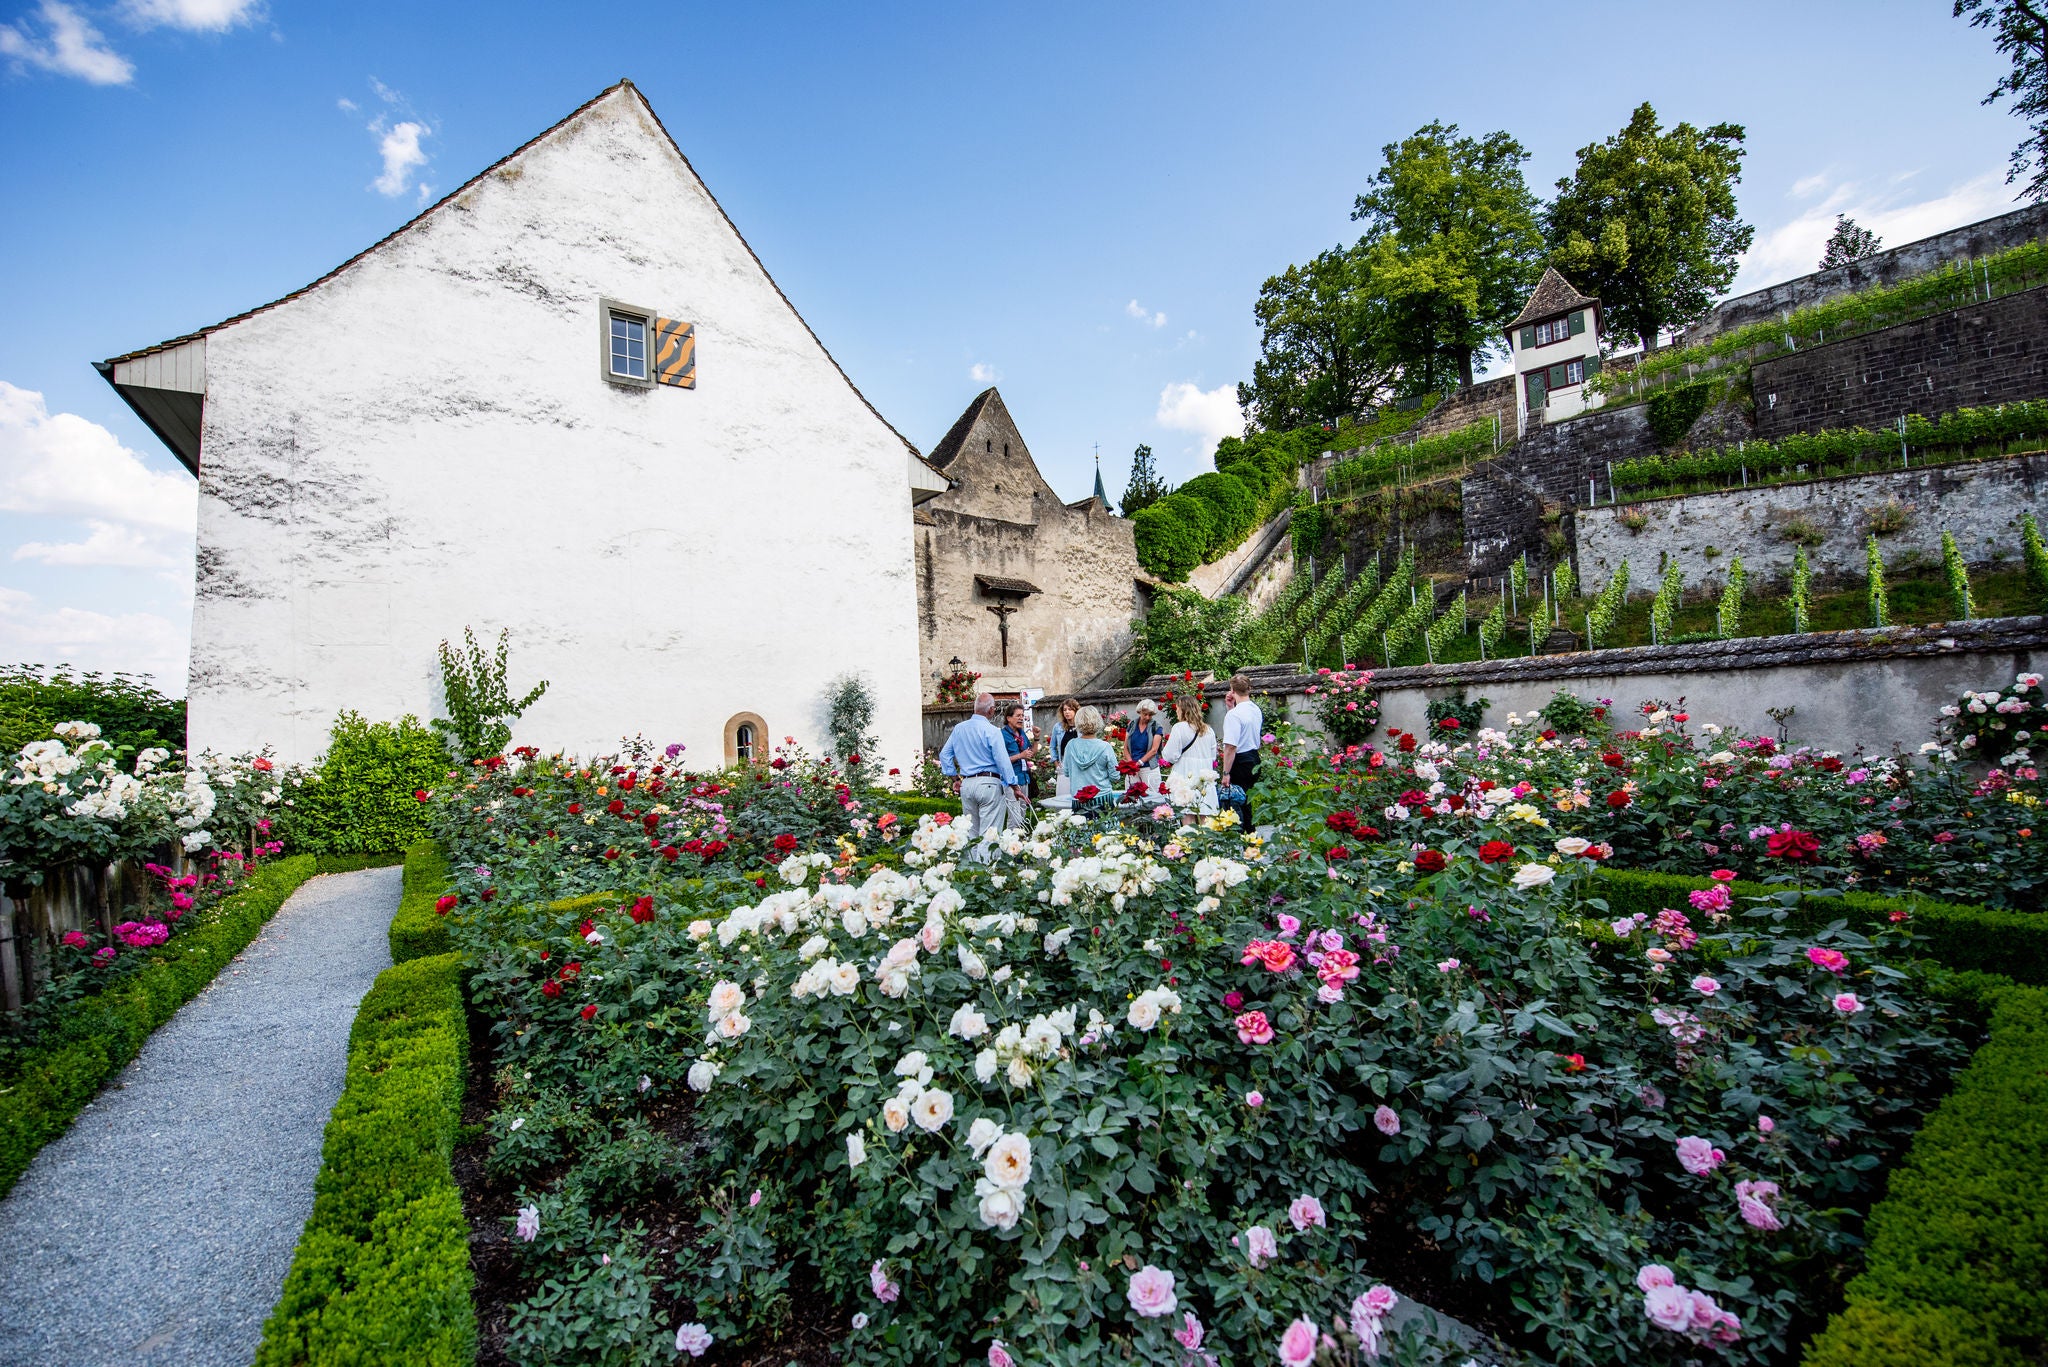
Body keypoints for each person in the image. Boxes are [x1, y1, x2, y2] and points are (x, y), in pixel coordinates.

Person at [938, 692, 1026, 844]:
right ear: (991, 709)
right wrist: (1015, 786)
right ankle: (987, 867)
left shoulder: (959, 728)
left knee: (971, 834)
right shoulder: (992, 731)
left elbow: (944, 755)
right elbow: (1003, 761)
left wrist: (955, 779)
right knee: (990, 835)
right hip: (989, 783)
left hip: (967, 783)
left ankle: (972, 867)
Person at [1160, 693, 1219, 817]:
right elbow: (1213, 755)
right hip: (1204, 776)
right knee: (1205, 814)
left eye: (1177, 709)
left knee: (1187, 815)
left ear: (1182, 710)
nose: (1176, 712)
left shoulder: (1179, 728)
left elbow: (1170, 755)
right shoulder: (1209, 730)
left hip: (1185, 774)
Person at [1218, 674, 1264, 814]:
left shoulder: (1234, 715)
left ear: (1232, 690)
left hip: (1240, 760)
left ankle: (1244, 832)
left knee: (1236, 802)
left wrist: (1225, 773)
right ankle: (1250, 832)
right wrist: (1230, 707)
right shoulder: (1255, 709)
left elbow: (1231, 746)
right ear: (1249, 688)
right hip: (1254, 757)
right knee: (1246, 799)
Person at [1059, 705, 1120, 802]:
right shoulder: (1105, 747)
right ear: (1097, 721)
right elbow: (1115, 776)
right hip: (1102, 797)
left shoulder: (1071, 745)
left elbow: (1066, 772)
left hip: (1079, 798)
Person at [1001, 702, 1037, 823]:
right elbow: (1001, 760)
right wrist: (1020, 756)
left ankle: (1020, 839)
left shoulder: (1021, 733)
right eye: (1018, 715)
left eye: (1022, 715)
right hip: (1011, 780)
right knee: (1014, 817)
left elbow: (1031, 753)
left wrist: (1036, 738)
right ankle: (1011, 840)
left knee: (1022, 813)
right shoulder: (1002, 735)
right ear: (1009, 718)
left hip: (1024, 777)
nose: (1021, 718)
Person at [1126, 697, 1166, 795]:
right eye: (1145, 714)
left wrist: (1139, 763)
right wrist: (1131, 765)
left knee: (1152, 798)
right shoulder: (1132, 724)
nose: (1148, 717)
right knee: (1132, 798)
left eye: (1150, 715)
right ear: (1139, 712)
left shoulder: (1156, 726)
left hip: (1149, 768)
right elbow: (1125, 747)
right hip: (1133, 769)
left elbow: (1154, 750)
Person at [1049, 697, 1081, 798]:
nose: (1067, 712)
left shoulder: (1082, 727)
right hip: (1063, 764)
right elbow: (1052, 746)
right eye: (1065, 710)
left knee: (1078, 795)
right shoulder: (1058, 727)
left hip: (1079, 765)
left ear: (1076, 711)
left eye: (1070, 709)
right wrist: (1056, 763)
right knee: (1062, 796)